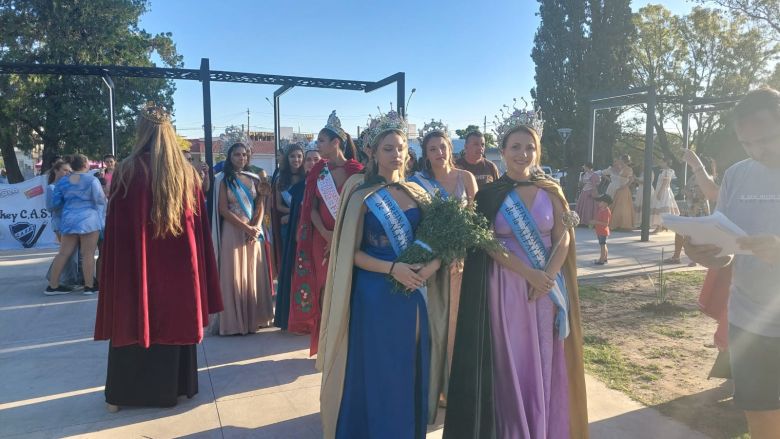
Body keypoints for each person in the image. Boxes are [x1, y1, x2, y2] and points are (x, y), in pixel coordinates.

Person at [444, 123, 587, 439]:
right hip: (506, 287)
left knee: (546, 355)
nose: (524, 154)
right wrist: (530, 274)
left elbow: (563, 238)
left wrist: (547, 276)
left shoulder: (551, 191)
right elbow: (487, 244)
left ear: (538, 151)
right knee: (512, 359)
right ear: (504, 151)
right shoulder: (489, 196)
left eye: (530, 147)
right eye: (516, 147)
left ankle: (545, 428)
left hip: (546, 288)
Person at [315, 112, 449, 439]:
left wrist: (429, 268)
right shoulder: (360, 191)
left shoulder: (419, 191)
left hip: (413, 292)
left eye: (401, 147)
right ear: (373, 153)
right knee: (378, 370)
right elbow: (351, 253)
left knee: (408, 366)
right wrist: (393, 268)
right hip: (374, 294)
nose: (396, 154)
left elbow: (439, 241)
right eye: (388, 148)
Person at [94, 105, 222, 411]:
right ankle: (178, 387)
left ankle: (124, 395)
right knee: (176, 319)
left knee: (135, 317)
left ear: (142, 131)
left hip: (137, 270)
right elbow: (199, 230)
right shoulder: (187, 173)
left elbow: (116, 230)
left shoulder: (127, 170)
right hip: (179, 272)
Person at [684, 88, 780, 439]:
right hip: (748, 320)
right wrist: (705, 253)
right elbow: (727, 245)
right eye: (747, 142)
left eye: (767, 139)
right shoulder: (737, 175)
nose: (757, 150)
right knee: (762, 419)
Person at [409, 126, 478, 399]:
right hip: (431, 267)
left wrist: (458, 250)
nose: (439, 152)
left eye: (443, 146)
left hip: (462, 263)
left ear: (451, 148)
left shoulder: (467, 178)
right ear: (426, 154)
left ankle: (457, 389)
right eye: (432, 149)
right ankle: (433, 388)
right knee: (434, 326)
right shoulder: (416, 182)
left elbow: (475, 221)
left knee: (459, 325)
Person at [289, 111, 363, 354]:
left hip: (348, 239)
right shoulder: (318, 171)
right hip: (321, 239)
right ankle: (326, 342)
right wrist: (326, 233)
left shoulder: (357, 172)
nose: (317, 145)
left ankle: (346, 342)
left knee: (346, 286)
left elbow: (359, 210)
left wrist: (339, 236)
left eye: (321, 140)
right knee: (322, 287)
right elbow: (310, 208)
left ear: (336, 143)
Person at [210, 142, 274, 335]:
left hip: (253, 231)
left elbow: (260, 203)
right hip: (232, 229)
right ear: (229, 156)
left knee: (251, 274)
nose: (241, 158)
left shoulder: (254, 178)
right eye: (237, 154)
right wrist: (246, 227)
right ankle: (235, 322)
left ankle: (253, 319)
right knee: (234, 274)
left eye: (244, 155)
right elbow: (222, 209)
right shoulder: (221, 179)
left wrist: (256, 227)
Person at [45, 154, 106, 295]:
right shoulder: (92, 180)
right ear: (85, 164)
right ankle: (89, 286)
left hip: (68, 220)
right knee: (88, 254)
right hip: (89, 220)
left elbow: (56, 203)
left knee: (63, 253)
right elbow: (100, 200)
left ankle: (53, 286)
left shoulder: (63, 182)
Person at [275, 147, 321, 330]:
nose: (311, 163)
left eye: (314, 159)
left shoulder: (328, 184)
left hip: (319, 237)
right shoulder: (299, 186)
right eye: (308, 159)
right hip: (298, 236)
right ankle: (300, 317)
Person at [665, 151, 713, 265]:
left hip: (698, 210)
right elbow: (689, 190)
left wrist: (690, 194)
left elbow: (706, 195)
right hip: (688, 209)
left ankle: (694, 259)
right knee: (679, 231)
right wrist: (686, 192)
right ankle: (676, 256)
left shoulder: (708, 178)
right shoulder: (693, 176)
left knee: (695, 235)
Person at [45, 159, 83, 288]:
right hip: (60, 222)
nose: (68, 173)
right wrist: (63, 199)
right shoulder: (52, 187)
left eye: (70, 171)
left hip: (71, 222)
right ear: (56, 170)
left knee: (71, 252)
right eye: (65, 170)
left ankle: (67, 278)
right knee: (67, 252)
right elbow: (50, 207)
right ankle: (57, 279)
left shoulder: (69, 185)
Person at [271, 143, 305, 275]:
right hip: (288, 225)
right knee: (291, 261)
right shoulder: (280, 179)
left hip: (305, 224)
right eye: (292, 156)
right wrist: (294, 212)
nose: (296, 159)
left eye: (299, 156)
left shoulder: (308, 177)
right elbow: (277, 205)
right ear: (287, 158)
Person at [604, 154, 635, 231]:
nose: (619, 160)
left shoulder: (629, 169)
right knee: (616, 205)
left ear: (623, 160)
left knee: (622, 207)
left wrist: (625, 186)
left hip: (624, 189)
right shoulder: (620, 168)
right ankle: (617, 224)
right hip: (618, 189)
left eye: (620, 159)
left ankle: (622, 224)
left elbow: (631, 180)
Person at [650, 156, 680, 232]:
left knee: (662, 207)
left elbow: (666, 182)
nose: (660, 163)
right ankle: (662, 226)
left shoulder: (668, 171)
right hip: (661, 190)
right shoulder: (663, 171)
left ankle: (660, 226)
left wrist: (660, 192)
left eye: (662, 162)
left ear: (666, 163)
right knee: (660, 207)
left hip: (664, 191)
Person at [574, 162, 600, 227]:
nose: (584, 168)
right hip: (584, 191)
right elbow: (582, 183)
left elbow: (596, 184)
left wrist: (593, 193)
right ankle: (582, 221)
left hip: (591, 191)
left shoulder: (594, 175)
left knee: (589, 207)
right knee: (582, 206)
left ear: (588, 167)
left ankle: (589, 222)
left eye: (584, 167)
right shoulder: (584, 174)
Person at [592, 194, 613, 265]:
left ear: (605, 203)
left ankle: (601, 260)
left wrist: (596, 222)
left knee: (602, 246)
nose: (598, 203)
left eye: (600, 202)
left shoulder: (606, 211)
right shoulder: (602, 210)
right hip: (600, 231)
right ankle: (605, 258)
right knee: (603, 245)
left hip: (603, 232)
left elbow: (605, 224)